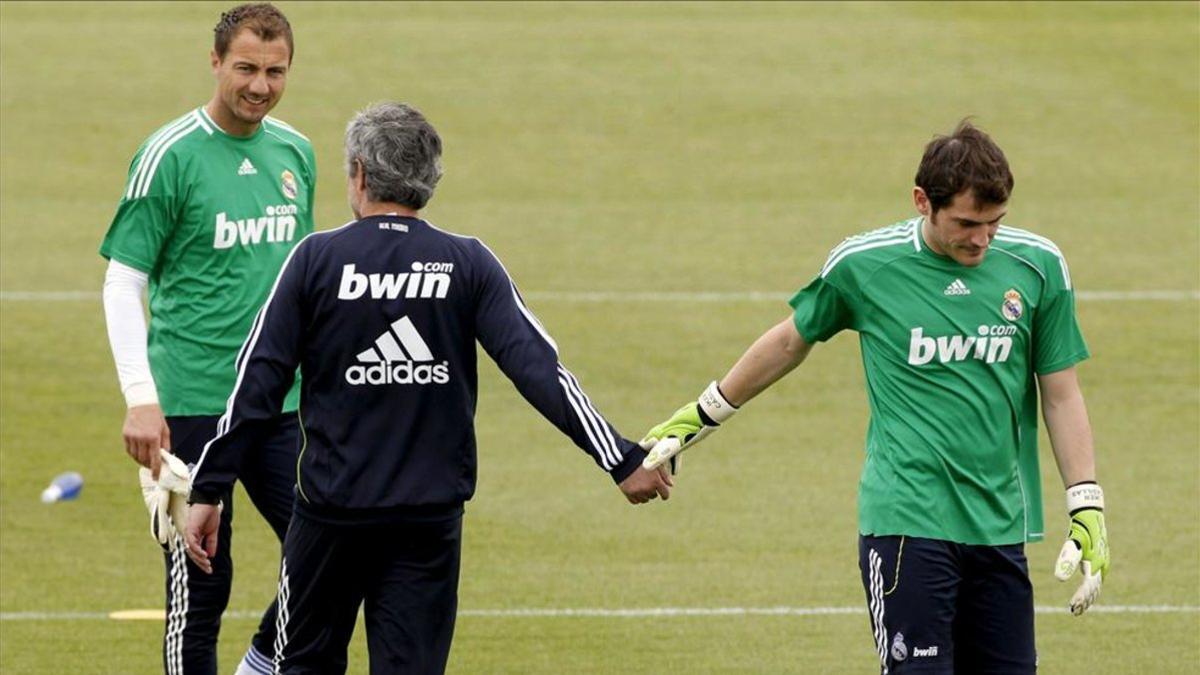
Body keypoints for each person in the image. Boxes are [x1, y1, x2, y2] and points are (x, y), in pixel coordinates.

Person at [183, 101, 671, 673]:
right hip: (427, 523)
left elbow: (256, 384)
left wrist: (208, 489)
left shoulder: (316, 259)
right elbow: (539, 369)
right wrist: (619, 458)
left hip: (329, 521)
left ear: (359, 174)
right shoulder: (467, 262)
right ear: (429, 179)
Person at [639, 120, 1110, 673]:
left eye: (994, 223)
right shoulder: (866, 264)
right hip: (906, 523)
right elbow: (792, 340)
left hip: (999, 525)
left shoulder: (1038, 266)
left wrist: (1086, 501)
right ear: (921, 202)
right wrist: (701, 414)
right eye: (965, 223)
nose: (981, 240)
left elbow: (1060, 394)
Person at [98, 4, 314, 674]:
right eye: (246, 68)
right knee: (201, 585)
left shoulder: (294, 152)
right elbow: (122, 282)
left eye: (275, 71)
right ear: (215, 61)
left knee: (328, 547)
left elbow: (299, 284)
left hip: (280, 402)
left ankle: (258, 662)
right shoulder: (168, 157)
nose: (260, 85)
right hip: (190, 402)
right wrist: (141, 396)